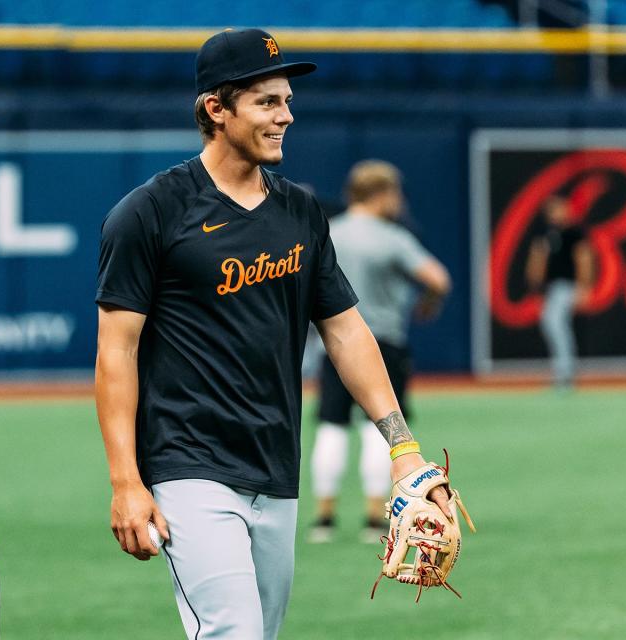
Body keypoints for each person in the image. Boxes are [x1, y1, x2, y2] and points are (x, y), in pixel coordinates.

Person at [94, 29, 454, 639]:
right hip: (188, 464)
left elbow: (345, 331)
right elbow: (116, 352)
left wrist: (403, 447)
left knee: (260, 632)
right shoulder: (150, 212)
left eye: (286, 100)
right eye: (267, 102)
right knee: (232, 631)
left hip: (275, 465)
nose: (286, 115)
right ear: (216, 108)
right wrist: (126, 481)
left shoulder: (302, 211)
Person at [307, 160, 451, 545]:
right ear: (382, 194)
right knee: (383, 430)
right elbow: (438, 278)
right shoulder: (391, 237)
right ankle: (375, 518)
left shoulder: (327, 233)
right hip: (383, 344)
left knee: (331, 428)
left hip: (332, 346)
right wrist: (429, 305)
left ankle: (324, 517)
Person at [525, 196, 593, 388]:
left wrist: (584, 286)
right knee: (554, 324)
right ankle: (564, 370)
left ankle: (565, 371)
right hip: (553, 287)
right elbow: (538, 259)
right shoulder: (548, 233)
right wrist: (535, 282)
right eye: (551, 211)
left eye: (558, 209)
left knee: (553, 322)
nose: (555, 214)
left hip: (568, 285)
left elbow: (584, 258)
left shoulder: (574, 232)